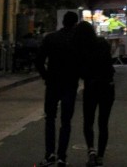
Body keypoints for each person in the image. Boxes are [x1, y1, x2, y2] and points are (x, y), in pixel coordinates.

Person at [35, 10, 81, 166]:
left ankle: (50, 154)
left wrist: (46, 76)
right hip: (70, 83)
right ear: (75, 23)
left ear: (63, 22)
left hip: (53, 82)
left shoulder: (51, 38)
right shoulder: (77, 41)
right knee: (66, 121)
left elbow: (39, 60)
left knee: (50, 118)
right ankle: (62, 156)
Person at [73, 21, 115, 167]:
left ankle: (91, 150)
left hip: (91, 87)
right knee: (103, 122)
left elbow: (79, 70)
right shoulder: (103, 43)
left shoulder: (80, 49)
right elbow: (109, 63)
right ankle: (100, 156)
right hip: (107, 86)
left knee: (88, 121)